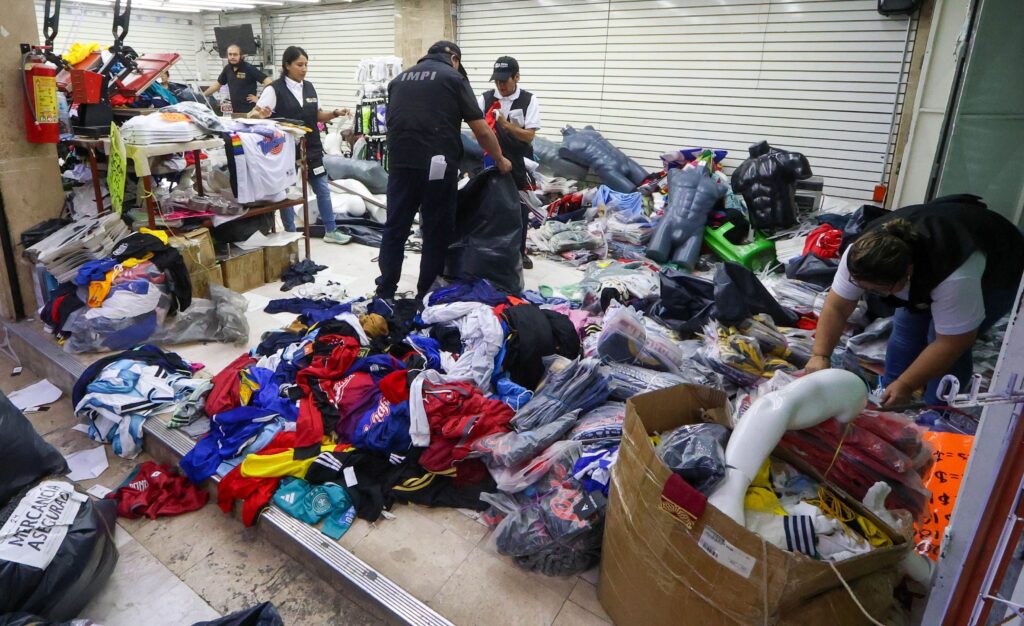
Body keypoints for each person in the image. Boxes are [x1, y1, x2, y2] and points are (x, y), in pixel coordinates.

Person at [806, 195, 1024, 408]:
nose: (872, 293)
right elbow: (837, 307)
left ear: (908, 273)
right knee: (906, 331)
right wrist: (820, 354)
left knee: (941, 340)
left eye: (880, 289)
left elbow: (953, 342)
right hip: (942, 236)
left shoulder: (954, 277)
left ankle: (939, 410)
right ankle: (889, 397)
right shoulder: (860, 255)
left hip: (1001, 262)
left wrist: (907, 384)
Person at [375, 41, 511, 302]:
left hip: (401, 165)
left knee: (395, 228)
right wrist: (500, 159)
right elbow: (482, 130)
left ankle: (385, 291)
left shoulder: (399, 80)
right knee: (435, 232)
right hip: (437, 168)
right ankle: (425, 294)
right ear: (454, 60)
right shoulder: (453, 78)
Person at [249, 46, 351, 244]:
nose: (304, 69)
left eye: (306, 65)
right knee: (286, 193)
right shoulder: (274, 89)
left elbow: (317, 115)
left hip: (311, 147)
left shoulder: (309, 88)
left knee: (322, 189)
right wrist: (260, 115)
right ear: (287, 65)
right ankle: (290, 233)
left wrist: (335, 113)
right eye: (299, 65)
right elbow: (254, 115)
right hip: (285, 149)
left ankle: (331, 230)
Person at [479, 56, 541, 269]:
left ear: (517, 77)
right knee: (492, 207)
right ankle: (494, 250)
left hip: (519, 162)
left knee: (520, 208)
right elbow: (478, 133)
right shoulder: (485, 99)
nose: (500, 86)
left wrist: (505, 125)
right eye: (497, 81)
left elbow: (529, 136)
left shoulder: (529, 100)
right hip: (491, 160)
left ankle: (519, 251)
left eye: (504, 81)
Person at [203, 44, 273, 115]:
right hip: (236, 111)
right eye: (230, 54)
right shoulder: (227, 69)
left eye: (235, 54)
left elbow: (269, 82)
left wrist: (260, 98)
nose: (232, 57)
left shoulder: (249, 68)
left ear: (241, 56)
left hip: (250, 112)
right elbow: (217, 85)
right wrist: (203, 95)